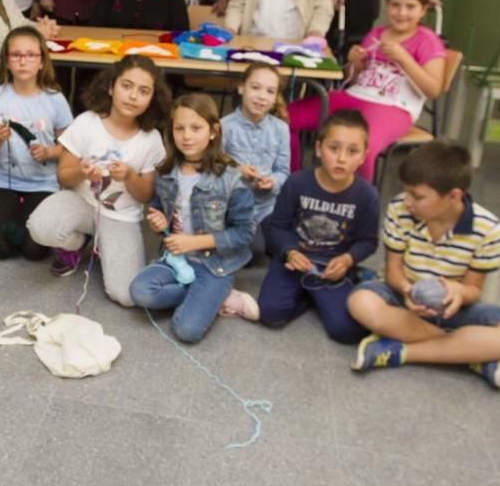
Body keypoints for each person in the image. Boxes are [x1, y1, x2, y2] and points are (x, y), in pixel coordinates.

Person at [348, 141, 500, 389]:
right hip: (401, 298)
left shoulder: (488, 228)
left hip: (454, 310)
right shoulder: (400, 208)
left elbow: (473, 291)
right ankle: (472, 353)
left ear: (454, 196)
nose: (407, 201)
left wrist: (458, 292)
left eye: (417, 196)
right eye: (406, 191)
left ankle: (402, 351)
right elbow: (394, 272)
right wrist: (407, 292)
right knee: (360, 301)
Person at [27, 56, 171, 306]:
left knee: (126, 296)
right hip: (82, 204)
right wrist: (83, 172)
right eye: (127, 86)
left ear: (152, 98)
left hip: (121, 217)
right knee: (40, 226)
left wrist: (129, 176)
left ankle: (106, 244)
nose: (133, 96)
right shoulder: (86, 122)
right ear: (110, 87)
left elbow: (146, 195)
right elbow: (63, 175)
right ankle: (77, 244)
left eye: (143, 91)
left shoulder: (152, 138)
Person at [287, 0, 446, 181]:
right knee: (286, 117)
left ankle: (355, 204)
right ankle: (288, 183)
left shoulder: (428, 41)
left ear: (423, 10)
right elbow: (352, 80)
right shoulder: (377, 33)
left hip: (395, 106)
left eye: (410, 7)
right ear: (387, 5)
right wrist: (355, 63)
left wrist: (404, 59)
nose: (401, 12)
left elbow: (433, 90)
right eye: (395, 5)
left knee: (363, 145)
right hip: (356, 96)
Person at [130, 93, 255, 343]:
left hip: (214, 265)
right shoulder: (165, 173)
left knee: (186, 330)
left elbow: (245, 233)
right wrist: (159, 224)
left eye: (196, 128)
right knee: (140, 292)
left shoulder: (232, 179)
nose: (186, 136)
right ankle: (210, 297)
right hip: (176, 260)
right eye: (179, 128)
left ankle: (221, 294)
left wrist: (194, 243)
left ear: (213, 131)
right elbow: (159, 212)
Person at [258, 109, 379, 344]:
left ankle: (325, 289)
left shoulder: (367, 195)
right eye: (334, 148)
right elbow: (278, 227)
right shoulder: (297, 182)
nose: (342, 158)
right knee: (269, 314)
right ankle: (312, 293)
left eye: (352, 151)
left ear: (364, 156)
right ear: (318, 148)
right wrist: (290, 252)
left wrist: (348, 259)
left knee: (346, 331)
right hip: (295, 261)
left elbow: (368, 241)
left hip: (334, 266)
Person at [0, 26, 73, 260]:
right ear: (7, 62)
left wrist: (50, 151)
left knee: (34, 251)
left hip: (44, 183)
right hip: (3, 183)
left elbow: (71, 151)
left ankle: (27, 222)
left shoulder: (55, 99)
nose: (23, 61)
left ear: (42, 62)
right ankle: (16, 218)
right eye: (16, 55)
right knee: (0, 248)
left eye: (31, 55)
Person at [220, 63, 290, 256]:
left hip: (268, 206)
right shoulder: (225, 126)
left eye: (270, 91)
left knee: (283, 246)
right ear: (242, 87)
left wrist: (273, 181)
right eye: (255, 87)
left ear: (276, 98)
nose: (261, 96)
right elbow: (213, 166)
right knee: (254, 249)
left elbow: (283, 171)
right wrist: (237, 170)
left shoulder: (281, 129)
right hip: (233, 205)